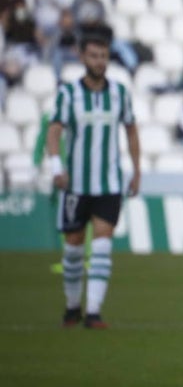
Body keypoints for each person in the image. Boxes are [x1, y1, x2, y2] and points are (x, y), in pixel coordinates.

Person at [44, 28, 141, 329]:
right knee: (73, 248)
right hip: (76, 184)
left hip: (109, 183)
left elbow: (131, 130)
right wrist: (56, 166)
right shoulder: (68, 94)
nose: (100, 61)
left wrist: (137, 170)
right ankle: (73, 307)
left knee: (102, 245)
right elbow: (54, 131)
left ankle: (94, 311)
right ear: (83, 57)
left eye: (104, 56)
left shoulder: (120, 93)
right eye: (94, 56)